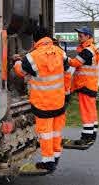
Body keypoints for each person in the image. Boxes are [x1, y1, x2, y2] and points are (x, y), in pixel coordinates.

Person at [14, 27, 67, 174]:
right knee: (56, 131)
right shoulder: (60, 52)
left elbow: (21, 72)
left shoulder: (32, 57)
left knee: (45, 133)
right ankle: (55, 157)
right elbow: (66, 68)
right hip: (58, 101)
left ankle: (47, 162)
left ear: (35, 40)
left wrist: (17, 62)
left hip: (43, 103)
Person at [63, 26, 99, 150]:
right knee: (91, 110)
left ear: (88, 37)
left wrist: (63, 57)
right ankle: (92, 134)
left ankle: (86, 137)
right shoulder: (92, 49)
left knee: (87, 111)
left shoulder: (87, 50)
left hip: (85, 85)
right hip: (90, 85)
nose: (78, 37)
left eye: (81, 35)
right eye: (78, 35)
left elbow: (75, 63)